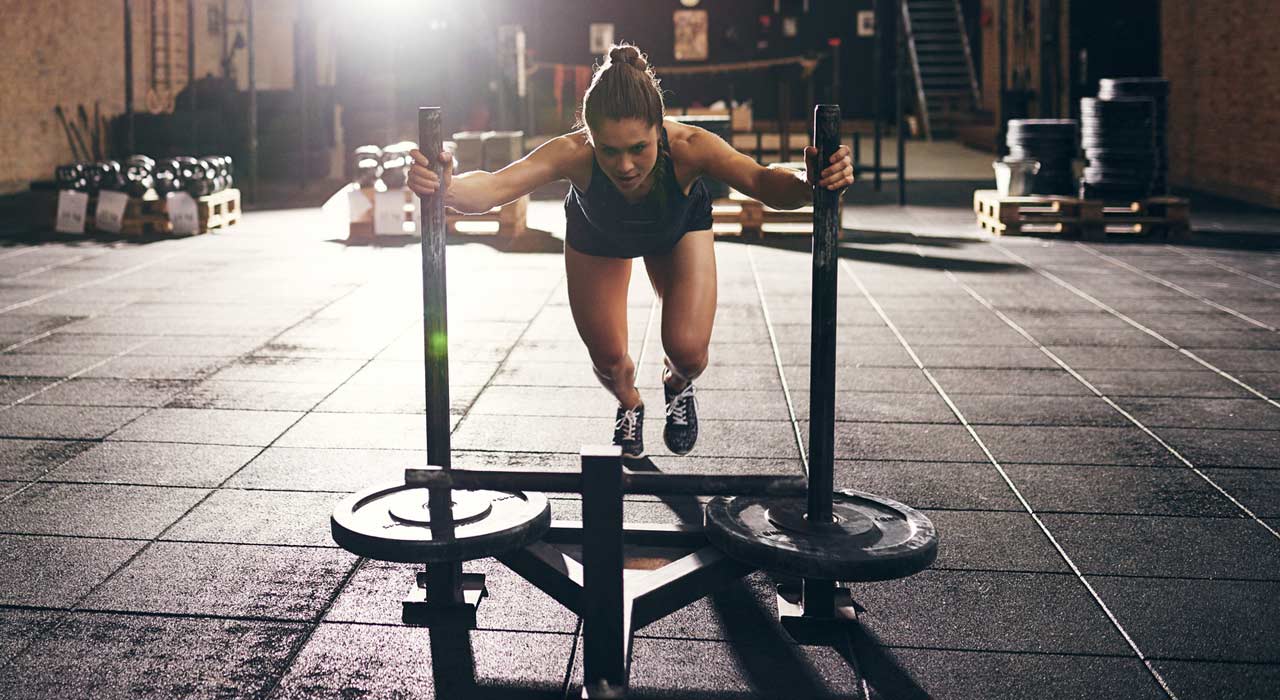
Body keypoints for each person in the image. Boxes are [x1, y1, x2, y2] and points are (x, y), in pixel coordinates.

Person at [409, 43, 853, 460]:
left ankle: (676, 384)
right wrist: (445, 184)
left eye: (639, 148)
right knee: (607, 358)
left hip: (676, 230)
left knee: (689, 352)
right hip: (599, 237)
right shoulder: (572, 154)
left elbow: (762, 183)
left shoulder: (689, 147)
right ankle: (629, 404)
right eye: (609, 151)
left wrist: (809, 179)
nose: (624, 166)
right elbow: (493, 189)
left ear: (660, 130)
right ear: (590, 136)